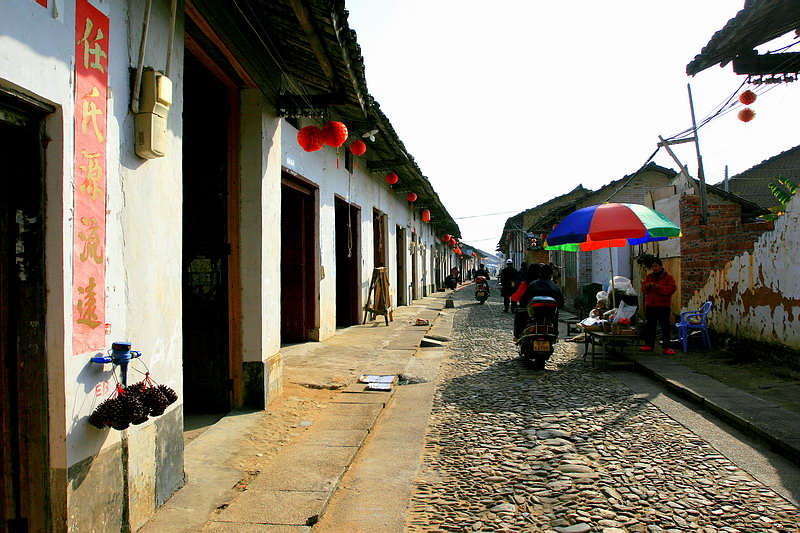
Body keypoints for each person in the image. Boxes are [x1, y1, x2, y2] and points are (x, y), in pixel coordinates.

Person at [639, 257, 677, 355]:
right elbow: (644, 290)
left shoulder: (668, 277)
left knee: (665, 327)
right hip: (651, 304)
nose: (654, 268)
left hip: (663, 305)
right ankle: (649, 345)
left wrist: (659, 287)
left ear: (660, 266)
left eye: (656, 266)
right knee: (650, 326)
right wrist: (646, 287)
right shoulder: (650, 276)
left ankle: (666, 347)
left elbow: (672, 289)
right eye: (652, 266)